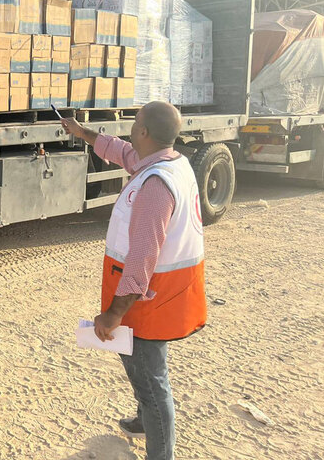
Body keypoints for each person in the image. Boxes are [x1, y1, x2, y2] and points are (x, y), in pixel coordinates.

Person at [61, 101, 207, 460]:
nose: (130, 128)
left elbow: (142, 258)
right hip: (165, 292)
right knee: (144, 368)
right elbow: (122, 152)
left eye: (134, 122)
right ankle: (145, 419)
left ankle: (161, 452)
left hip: (148, 298)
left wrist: (113, 313)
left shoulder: (155, 186)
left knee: (152, 379)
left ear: (143, 131)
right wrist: (82, 133)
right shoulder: (171, 162)